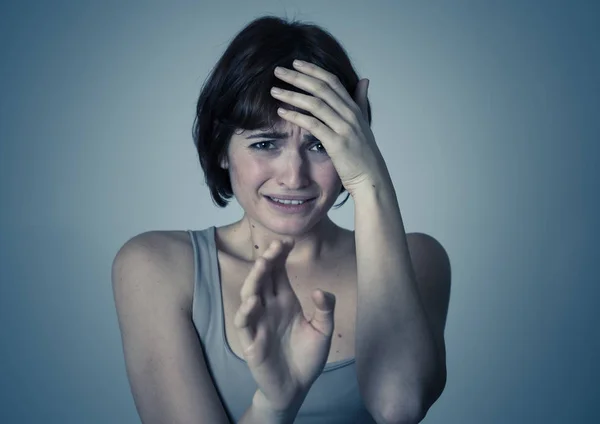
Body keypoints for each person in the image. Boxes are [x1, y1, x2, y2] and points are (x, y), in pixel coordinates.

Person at [111, 15, 451, 424]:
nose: (294, 177)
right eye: (265, 143)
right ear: (222, 148)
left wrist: (369, 182)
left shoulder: (418, 258)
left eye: (320, 144)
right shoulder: (156, 267)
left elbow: (400, 405)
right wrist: (276, 404)